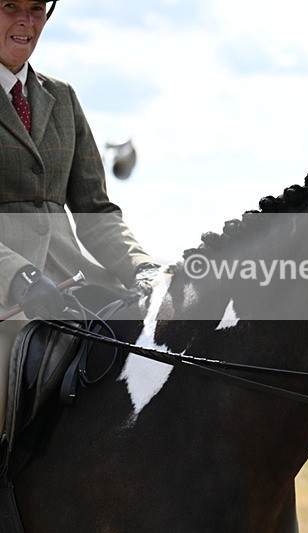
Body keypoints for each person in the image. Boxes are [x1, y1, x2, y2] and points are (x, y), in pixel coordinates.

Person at [0, 0, 157, 427]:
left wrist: (142, 269)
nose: (25, 21)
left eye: (35, 9)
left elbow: (95, 211)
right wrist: (19, 275)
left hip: (72, 281)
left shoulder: (63, 98)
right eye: (10, 6)